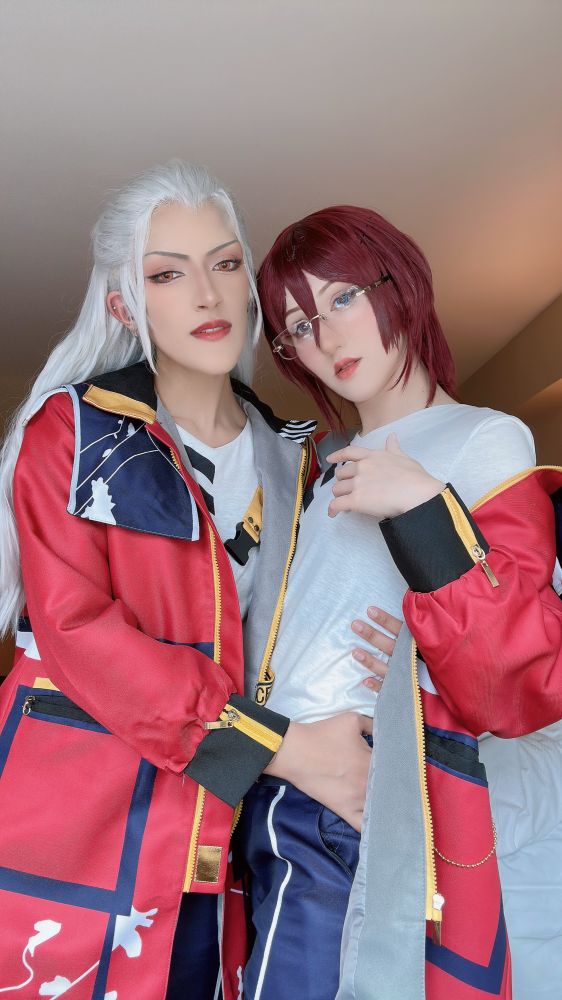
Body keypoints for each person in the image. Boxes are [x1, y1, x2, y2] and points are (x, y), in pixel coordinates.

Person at [0, 165, 372, 1000]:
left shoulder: (300, 458)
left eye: (226, 263)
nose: (208, 294)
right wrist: (284, 749)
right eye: (167, 274)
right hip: (74, 825)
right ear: (124, 305)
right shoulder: (75, 431)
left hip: (224, 837)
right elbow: (79, 633)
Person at [242, 204, 562, 1000]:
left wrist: (421, 510)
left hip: (359, 800)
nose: (327, 337)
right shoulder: (315, 467)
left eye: (343, 297)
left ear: (403, 285)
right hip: (275, 778)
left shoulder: (484, 437)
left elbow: (518, 677)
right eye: (299, 326)